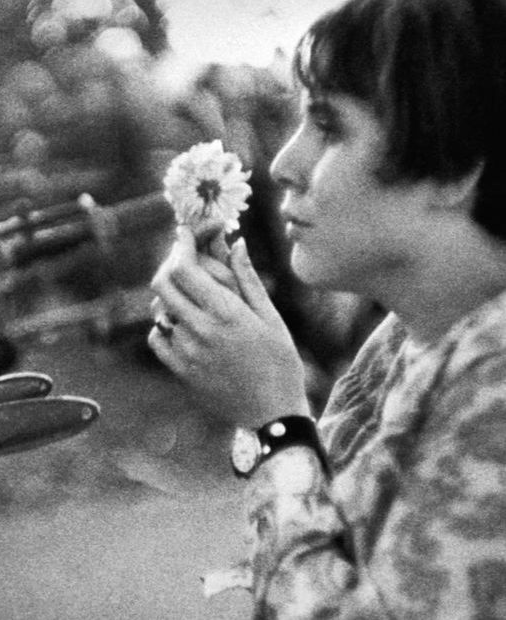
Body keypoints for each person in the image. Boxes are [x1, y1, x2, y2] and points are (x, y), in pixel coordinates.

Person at [148, 0, 506, 616]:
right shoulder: (406, 337)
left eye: (330, 128)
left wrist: (274, 423)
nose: (285, 165)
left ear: (456, 165)